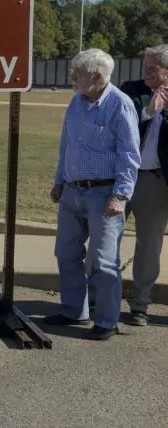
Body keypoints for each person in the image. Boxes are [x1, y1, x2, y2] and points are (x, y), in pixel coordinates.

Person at [46, 48, 140, 341]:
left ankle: (107, 321)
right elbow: (66, 146)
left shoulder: (120, 105)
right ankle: (74, 311)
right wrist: (60, 181)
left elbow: (129, 155)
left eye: (78, 74)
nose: (72, 78)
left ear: (98, 77)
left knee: (104, 261)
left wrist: (120, 195)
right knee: (66, 253)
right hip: (72, 192)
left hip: (104, 195)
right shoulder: (75, 102)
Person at [119, 44, 168, 327]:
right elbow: (121, 124)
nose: (146, 72)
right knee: (105, 238)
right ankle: (96, 298)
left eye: (153, 68)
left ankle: (140, 305)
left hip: (155, 182)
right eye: (145, 66)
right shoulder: (131, 90)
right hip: (122, 176)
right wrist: (150, 111)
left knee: (149, 246)